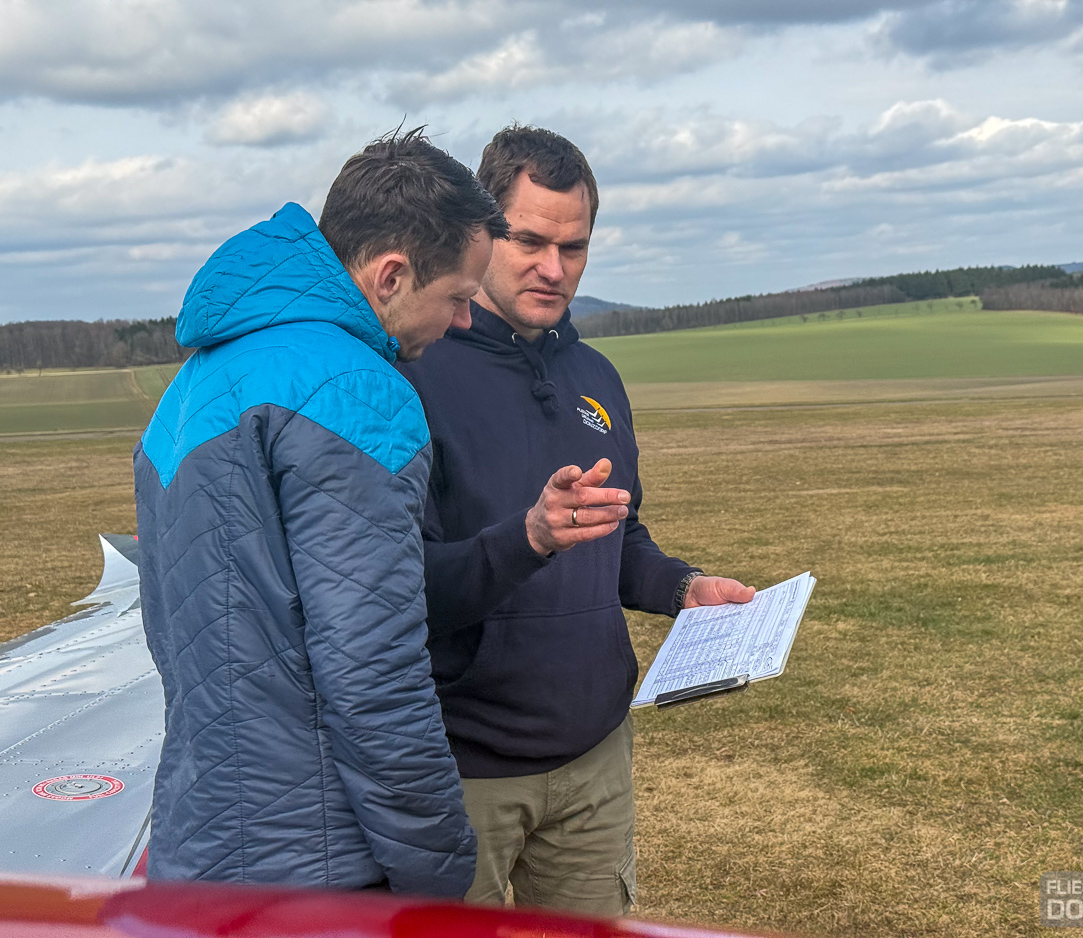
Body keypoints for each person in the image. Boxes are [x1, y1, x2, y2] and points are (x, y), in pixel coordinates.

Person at [133, 128, 508, 896]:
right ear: (391, 275)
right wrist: (439, 869)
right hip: (319, 864)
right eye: (459, 297)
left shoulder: (195, 386)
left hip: (199, 842)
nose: (466, 321)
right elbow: (374, 674)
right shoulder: (355, 391)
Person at [398, 125, 755, 915]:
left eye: (575, 247)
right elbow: (399, 586)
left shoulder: (596, 377)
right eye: (528, 241)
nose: (554, 269)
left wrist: (682, 588)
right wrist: (527, 537)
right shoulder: (414, 374)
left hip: (595, 760)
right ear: (482, 232)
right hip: (460, 771)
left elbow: (619, 538)